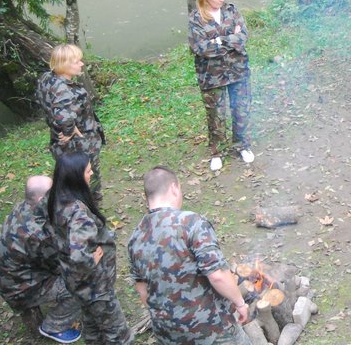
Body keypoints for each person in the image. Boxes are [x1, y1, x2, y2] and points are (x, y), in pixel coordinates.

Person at [128, 166, 250, 344]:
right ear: (174, 188)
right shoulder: (191, 223)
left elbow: (142, 290)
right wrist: (240, 303)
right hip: (211, 329)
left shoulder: (135, 237)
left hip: (167, 333)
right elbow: (217, 275)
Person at [47, 152, 132, 344]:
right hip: (95, 285)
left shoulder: (57, 200)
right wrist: (91, 259)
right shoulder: (78, 214)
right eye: (87, 170)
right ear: (75, 176)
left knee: (92, 325)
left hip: (74, 282)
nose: (92, 172)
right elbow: (79, 256)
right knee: (118, 334)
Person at [0, 176, 82, 343]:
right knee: (82, 284)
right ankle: (53, 326)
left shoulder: (23, 207)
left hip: (12, 275)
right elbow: (60, 266)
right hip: (19, 288)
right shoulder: (38, 234)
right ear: (40, 198)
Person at [188, 0, 254, 172]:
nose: (221, 0)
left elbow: (242, 38)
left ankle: (242, 145)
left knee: (241, 108)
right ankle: (217, 152)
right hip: (211, 75)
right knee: (216, 115)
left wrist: (217, 40)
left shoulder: (231, 11)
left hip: (238, 69)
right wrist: (228, 39)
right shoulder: (196, 18)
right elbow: (201, 48)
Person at [36, 44, 106, 200]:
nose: (81, 64)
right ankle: (91, 207)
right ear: (64, 64)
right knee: (88, 176)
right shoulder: (63, 89)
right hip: (80, 143)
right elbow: (64, 116)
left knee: (69, 175)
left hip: (59, 142)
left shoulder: (47, 78)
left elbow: (48, 105)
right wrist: (69, 130)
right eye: (76, 61)